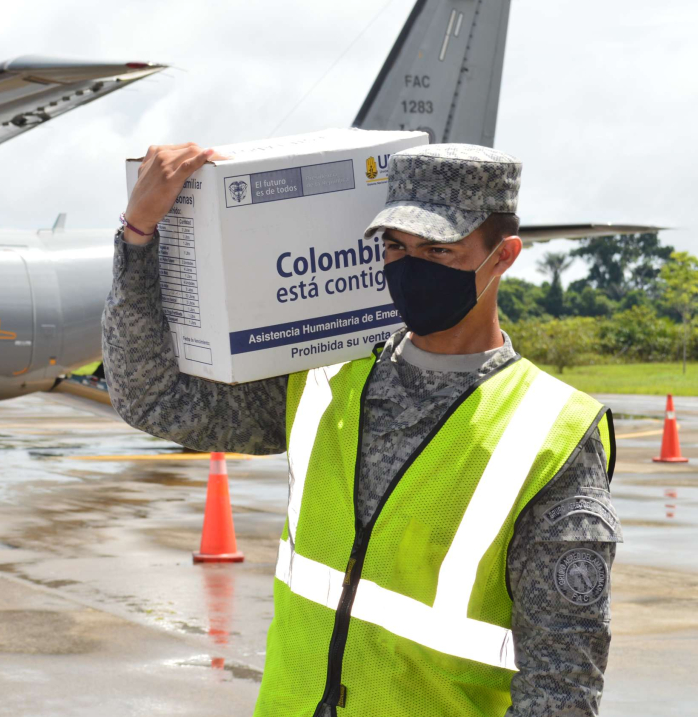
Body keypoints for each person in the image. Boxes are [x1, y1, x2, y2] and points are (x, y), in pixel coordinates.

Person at [102, 142, 619, 717]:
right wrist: (139, 237)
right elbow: (154, 398)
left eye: (438, 250)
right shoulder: (327, 379)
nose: (410, 265)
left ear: (503, 255)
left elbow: (562, 684)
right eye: (395, 246)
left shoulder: (549, 434)